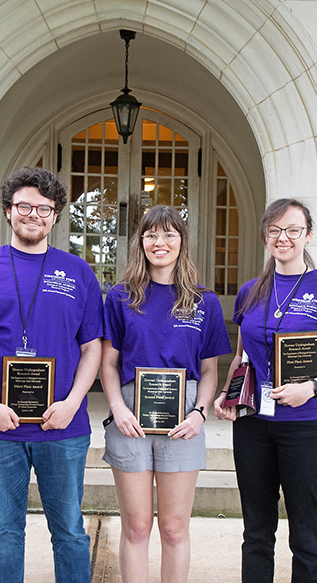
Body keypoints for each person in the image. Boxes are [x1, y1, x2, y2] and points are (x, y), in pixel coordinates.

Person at [0, 166, 103, 583]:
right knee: (4, 530)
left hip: (62, 427)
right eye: (25, 206)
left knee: (69, 529)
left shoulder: (79, 273)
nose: (34, 215)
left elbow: (92, 349)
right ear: (8, 211)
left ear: (55, 215)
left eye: (44, 208)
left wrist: (71, 404)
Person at [213, 199, 317, 583]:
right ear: (265, 236)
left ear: (307, 235)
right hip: (253, 426)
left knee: (307, 533)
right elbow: (242, 357)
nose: (284, 237)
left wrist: (311, 388)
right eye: (275, 230)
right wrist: (228, 395)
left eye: (293, 230)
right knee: (256, 532)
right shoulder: (250, 291)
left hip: (306, 426)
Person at [101, 205, 232, 583]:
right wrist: (117, 409)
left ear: (182, 242)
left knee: (174, 528)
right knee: (137, 527)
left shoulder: (202, 302)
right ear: (140, 243)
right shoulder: (121, 297)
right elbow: (107, 364)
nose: (160, 243)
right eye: (152, 235)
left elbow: (209, 370)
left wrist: (200, 413)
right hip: (129, 418)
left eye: (169, 235)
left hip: (184, 419)